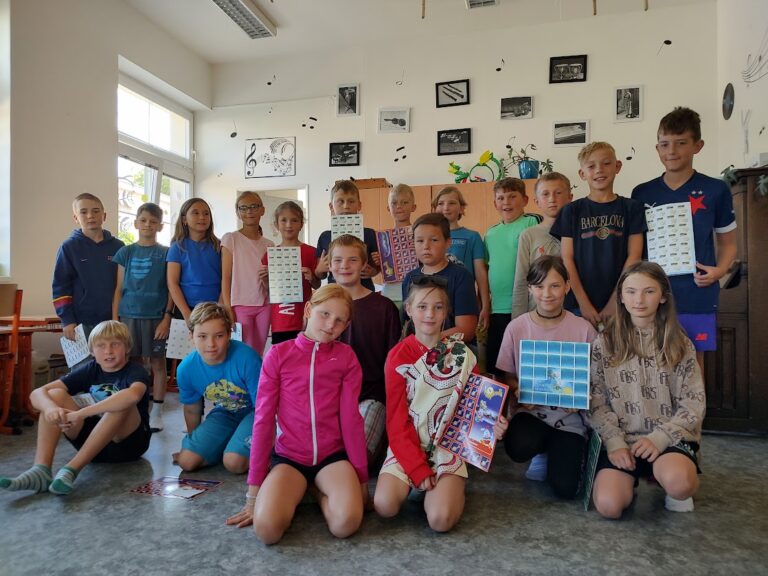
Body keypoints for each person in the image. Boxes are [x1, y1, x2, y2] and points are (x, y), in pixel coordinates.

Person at [226, 285, 368, 545]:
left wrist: (361, 481)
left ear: (346, 325)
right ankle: (299, 489)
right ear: (309, 309)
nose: (330, 325)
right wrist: (253, 493)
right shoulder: (279, 354)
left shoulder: (346, 357)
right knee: (266, 530)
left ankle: (316, 491)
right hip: (289, 459)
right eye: (325, 314)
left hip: (332, 458)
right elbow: (263, 421)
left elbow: (351, 421)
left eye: (339, 320)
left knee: (346, 524)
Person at [588, 261, 705, 517]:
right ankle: (630, 481)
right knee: (608, 506)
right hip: (622, 441)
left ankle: (670, 481)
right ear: (621, 296)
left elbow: (693, 403)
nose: (639, 300)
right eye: (631, 291)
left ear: (663, 296)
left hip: (667, 439)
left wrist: (660, 438)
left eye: (649, 291)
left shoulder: (680, 344)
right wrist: (614, 441)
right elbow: (595, 400)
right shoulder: (604, 343)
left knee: (680, 484)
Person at [631, 107, 737, 378]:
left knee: (692, 361)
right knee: (651, 361)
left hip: (696, 291)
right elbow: (635, 248)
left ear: (697, 146)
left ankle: (694, 408)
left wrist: (719, 271)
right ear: (657, 148)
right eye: (665, 144)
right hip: (653, 293)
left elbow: (728, 244)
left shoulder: (716, 189)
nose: (672, 151)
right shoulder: (641, 193)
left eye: (681, 143)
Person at [374, 277, 476, 532]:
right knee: (385, 505)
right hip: (407, 442)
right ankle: (423, 486)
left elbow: (475, 406)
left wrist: (492, 425)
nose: (430, 314)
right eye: (422, 307)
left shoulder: (462, 354)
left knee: (440, 521)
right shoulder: (397, 356)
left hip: (447, 446)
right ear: (409, 309)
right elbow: (396, 420)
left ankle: (450, 489)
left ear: (446, 311)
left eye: (438, 307)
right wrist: (418, 469)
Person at [1, 321, 150, 495]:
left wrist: (81, 414)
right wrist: (50, 409)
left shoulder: (136, 371)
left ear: (127, 348)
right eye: (101, 346)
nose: (108, 351)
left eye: (115, 344)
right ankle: (41, 470)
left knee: (121, 402)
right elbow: (37, 393)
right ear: (92, 351)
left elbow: (132, 396)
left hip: (126, 446)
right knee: (54, 395)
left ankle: (71, 469)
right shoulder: (90, 369)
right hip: (91, 444)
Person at [494, 256, 596, 498]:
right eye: (539, 286)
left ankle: (562, 453)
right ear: (530, 288)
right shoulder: (516, 327)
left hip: (569, 418)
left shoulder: (584, 329)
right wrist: (518, 390)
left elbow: (596, 379)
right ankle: (540, 452)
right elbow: (507, 376)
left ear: (567, 286)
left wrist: (582, 396)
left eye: (555, 285)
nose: (547, 294)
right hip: (531, 413)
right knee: (519, 446)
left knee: (566, 489)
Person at [551, 142, 646, 330]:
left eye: (606, 163)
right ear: (582, 173)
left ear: (617, 166)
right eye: (591, 166)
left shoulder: (632, 208)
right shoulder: (571, 211)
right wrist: (583, 303)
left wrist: (617, 299)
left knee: (619, 348)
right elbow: (567, 258)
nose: (599, 170)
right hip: (578, 304)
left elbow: (634, 256)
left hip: (623, 302)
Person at [330, 234, 401, 474]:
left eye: (352, 260)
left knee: (355, 455)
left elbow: (393, 363)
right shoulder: (321, 307)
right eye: (338, 260)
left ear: (363, 265)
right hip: (329, 396)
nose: (344, 266)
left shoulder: (384, 308)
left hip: (370, 395)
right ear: (330, 265)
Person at [174, 302, 261, 474]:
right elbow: (192, 409)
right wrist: (196, 445)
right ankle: (232, 445)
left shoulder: (248, 359)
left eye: (219, 336)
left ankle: (265, 448)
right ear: (191, 336)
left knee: (234, 463)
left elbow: (264, 407)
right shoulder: (186, 369)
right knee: (187, 461)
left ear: (229, 334)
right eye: (202, 336)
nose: (211, 344)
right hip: (225, 413)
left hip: (255, 412)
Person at [112, 202, 172, 431]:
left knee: (158, 363)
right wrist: (115, 320)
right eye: (144, 220)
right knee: (132, 363)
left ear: (160, 226)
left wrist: (166, 318)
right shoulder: (125, 252)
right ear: (136, 223)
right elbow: (118, 289)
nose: (148, 225)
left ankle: (157, 411)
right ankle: (136, 409)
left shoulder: (166, 253)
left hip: (156, 318)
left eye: (153, 221)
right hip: (128, 317)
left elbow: (171, 288)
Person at [484, 177, 539, 375]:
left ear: (525, 200)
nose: (506, 202)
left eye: (512, 197)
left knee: (524, 363)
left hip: (525, 306)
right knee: (497, 365)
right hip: (498, 308)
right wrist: (486, 305)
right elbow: (486, 269)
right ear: (495, 203)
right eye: (501, 198)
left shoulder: (532, 222)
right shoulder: (490, 233)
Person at [52, 193, 124, 341]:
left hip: (113, 320)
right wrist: (67, 320)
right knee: (86, 358)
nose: (90, 216)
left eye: (96, 211)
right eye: (83, 212)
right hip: (80, 322)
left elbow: (124, 285)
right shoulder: (69, 247)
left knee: (112, 356)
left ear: (104, 216)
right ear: (75, 218)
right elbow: (60, 286)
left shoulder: (119, 247)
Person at [401, 213, 478, 343]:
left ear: (448, 243)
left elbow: (466, 329)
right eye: (420, 241)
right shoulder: (409, 278)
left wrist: (430, 342)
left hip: (454, 349)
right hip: (419, 349)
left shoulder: (461, 276)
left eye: (434, 240)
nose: (426, 246)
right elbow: (408, 324)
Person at [511, 173, 574, 319]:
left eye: (558, 193)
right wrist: (518, 320)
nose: (552, 199)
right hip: (537, 314)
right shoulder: (528, 235)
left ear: (570, 197)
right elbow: (521, 280)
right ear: (537, 201)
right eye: (545, 194)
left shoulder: (578, 233)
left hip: (572, 314)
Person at [221, 191, 274, 356]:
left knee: (259, 352)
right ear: (237, 212)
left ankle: (257, 375)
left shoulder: (269, 244)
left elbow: (271, 281)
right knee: (245, 351)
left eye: (253, 207)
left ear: (262, 210)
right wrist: (228, 308)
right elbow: (226, 277)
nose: (249, 211)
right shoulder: (231, 239)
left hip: (265, 305)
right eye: (243, 208)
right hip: (240, 305)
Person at [432, 185, 490, 332]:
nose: (446, 207)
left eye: (452, 203)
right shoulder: (428, 236)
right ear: (434, 208)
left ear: (462, 208)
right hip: (434, 301)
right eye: (441, 203)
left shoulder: (472, 236)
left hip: (464, 300)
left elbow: (480, 272)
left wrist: (485, 305)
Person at [261, 201, 320, 344]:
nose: (289, 225)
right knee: (282, 356)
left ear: (301, 224)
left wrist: (311, 278)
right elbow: (269, 291)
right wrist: (265, 280)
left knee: (304, 355)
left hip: (304, 320)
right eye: (284, 220)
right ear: (276, 224)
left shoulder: (311, 252)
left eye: (294, 220)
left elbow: (317, 284)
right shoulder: (270, 255)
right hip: (280, 321)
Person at [315, 180, 380, 290]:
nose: (346, 206)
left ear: (359, 205)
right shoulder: (324, 237)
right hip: (335, 292)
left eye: (351, 201)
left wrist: (374, 271)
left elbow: (377, 266)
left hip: (364, 289)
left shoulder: (370, 234)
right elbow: (320, 275)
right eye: (340, 201)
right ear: (331, 206)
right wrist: (319, 269)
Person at [166, 198, 222, 322]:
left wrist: (220, 306)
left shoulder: (219, 246)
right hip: (186, 309)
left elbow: (227, 280)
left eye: (206, 213)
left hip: (215, 309)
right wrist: (187, 313)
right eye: (195, 213)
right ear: (184, 219)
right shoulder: (177, 247)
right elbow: (172, 283)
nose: (202, 217)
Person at [378, 183, 418, 310]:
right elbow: (379, 269)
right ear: (388, 208)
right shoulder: (382, 239)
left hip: (415, 293)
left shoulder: (420, 234)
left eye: (404, 202)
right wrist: (377, 261)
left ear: (413, 207)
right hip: (389, 294)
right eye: (394, 203)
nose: (399, 206)